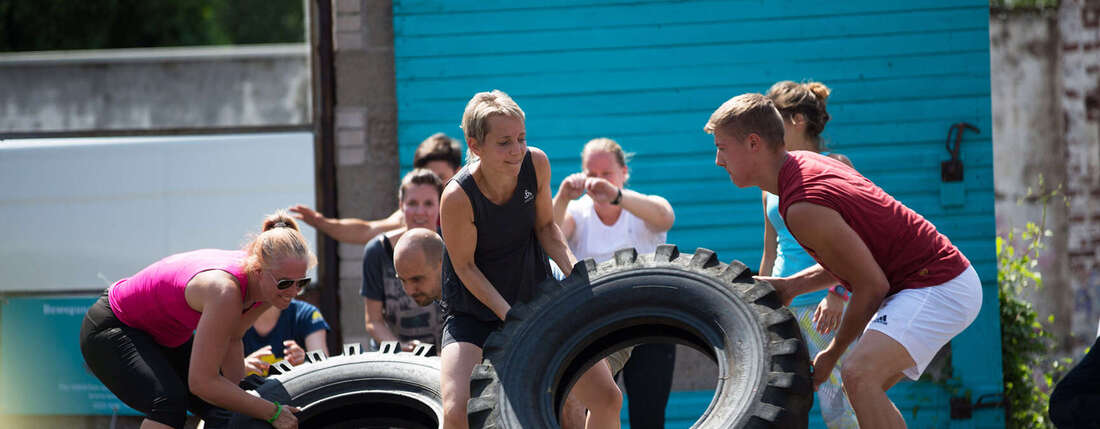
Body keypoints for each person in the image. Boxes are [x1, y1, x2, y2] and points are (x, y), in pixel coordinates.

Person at [704, 93, 982, 429]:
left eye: (722, 147)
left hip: (937, 284)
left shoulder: (802, 203)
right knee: (861, 385)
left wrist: (831, 353)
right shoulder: (802, 166)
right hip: (929, 282)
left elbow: (871, 284)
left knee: (858, 374)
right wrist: (793, 286)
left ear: (753, 143)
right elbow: (857, 260)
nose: (718, 160)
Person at [439, 90, 622, 429]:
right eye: (504, 142)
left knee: (607, 397)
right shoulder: (457, 196)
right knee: (456, 410)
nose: (517, 150)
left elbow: (547, 227)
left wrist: (577, 272)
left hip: (535, 300)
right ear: (475, 145)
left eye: (521, 138)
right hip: (473, 313)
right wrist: (509, 315)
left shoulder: (536, 164)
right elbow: (465, 267)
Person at [79, 211, 314, 429]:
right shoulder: (225, 292)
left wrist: (245, 398)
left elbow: (233, 338)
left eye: (301, 283)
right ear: (259, 271)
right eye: (285, 283)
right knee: (168, 403)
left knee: (226, 408)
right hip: (114, 326)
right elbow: (201, 383)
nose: (293, 292)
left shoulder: (265, 285)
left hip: (163, 335)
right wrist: (271, 412)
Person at [552, 137, 676, 429]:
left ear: (624, 173)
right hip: (597, 327)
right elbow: (551, 234)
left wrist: (616, 196)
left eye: (607, 173)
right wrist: (563, 197)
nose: (599, 181)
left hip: (649, 324)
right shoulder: (578, 213)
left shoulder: (641, 207)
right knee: (593, 406)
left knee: (649, 416)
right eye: (591, 174)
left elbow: (665, 217)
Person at [759, 81, 859, 428]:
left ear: (797, 120)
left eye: (775, 120)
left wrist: (839, 293)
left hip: (826, 309)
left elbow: (860, 240)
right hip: (786, 308)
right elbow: (771, 251)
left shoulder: (836, 165)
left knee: (838, 401)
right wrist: (762, 304)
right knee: (778, 401)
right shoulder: (770, 180)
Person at [289, 133, 462, 244]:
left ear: (458, 173)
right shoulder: (412, 215)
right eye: (427, 179)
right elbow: (366, 231)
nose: (434, 186)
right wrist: (322, 223)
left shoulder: (469, 207)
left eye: (440, 178)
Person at [362, 169, 445, 353]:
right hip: (395, 356)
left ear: (440, 206)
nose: (420, 212)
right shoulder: (377, 251)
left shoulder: (452, 245)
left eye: (429, 203)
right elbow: (373, 321)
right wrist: (400, 349)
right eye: (413, 203)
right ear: (401, 205)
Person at [241, 299, 330, 377]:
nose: (294, 290)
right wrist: (241, 368)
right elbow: (227, 377)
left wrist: (305, 362)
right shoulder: (234, 315)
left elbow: (323, 369)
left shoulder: (307, 313)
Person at [392, 228, 445, 307]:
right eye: (403, 280)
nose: (409, 291)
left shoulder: (466, 305)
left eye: (416, 279)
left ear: (442, 264)